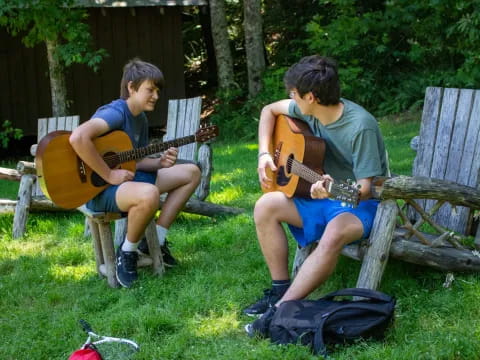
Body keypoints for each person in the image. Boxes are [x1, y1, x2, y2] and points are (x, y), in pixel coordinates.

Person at [244, 55, 388, 332]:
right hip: (320, 195)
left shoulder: (361, 126)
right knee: (266, 205)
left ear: (311, 96)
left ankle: (279, 311)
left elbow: (366, 189)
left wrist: (331, 190)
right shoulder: (308, 110)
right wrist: (264, 154)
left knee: (334, 233)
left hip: (359, 204)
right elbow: (268, 111)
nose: (290, 97)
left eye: (294, 94)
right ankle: (279, 288)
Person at [70, 58, 201, 288]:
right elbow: (78, 138)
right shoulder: (116, 113)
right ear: (131, 87)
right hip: (99, 188)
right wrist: (110, 175)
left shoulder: (139, 118)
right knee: (149, 193)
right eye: (150, 89)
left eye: (157, 90)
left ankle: (155, 242)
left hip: (124, 183)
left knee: (191, 172)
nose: (156, 96)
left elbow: (135, 162)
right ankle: (127, 253)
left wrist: (160, 163)